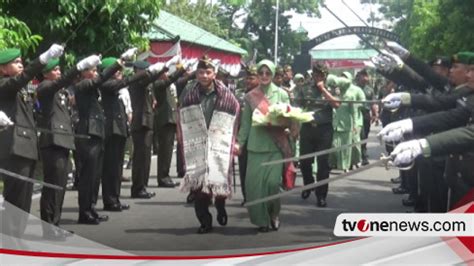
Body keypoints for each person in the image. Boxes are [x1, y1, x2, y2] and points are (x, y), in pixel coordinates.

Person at [0, 44, 64, 237]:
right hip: (13, 148)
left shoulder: (20, 89)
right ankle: (11, 241)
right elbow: (23, 78)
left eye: (21, 62)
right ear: (2, 69)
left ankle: (16, 237)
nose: (20, 65)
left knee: (25, 199)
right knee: (15, 199)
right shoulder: (4, 85)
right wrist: (43, 59)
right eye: (16, 62)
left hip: (26, 147)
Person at [36, 55, 100, 239]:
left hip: (62, 140)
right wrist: (78, 67)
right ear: (46, 73)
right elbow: (61, 83)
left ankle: (55, 224)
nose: (59, 72)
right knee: (53, 186)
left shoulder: (59, 91)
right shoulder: (45, 87)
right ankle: (49, 227)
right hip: (52, 141)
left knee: (60, 186)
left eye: (59, 69)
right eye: (55, 70)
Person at [178, 56, 239, 234]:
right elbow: (180, 113)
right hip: (197, 143)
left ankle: (220, 206)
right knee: (199, 189)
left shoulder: (226, 94)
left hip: (219, 144)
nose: (204, 75)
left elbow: (235, 116)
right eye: (200, 72)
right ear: (196, 74)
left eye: (208, 72)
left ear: (214, 74)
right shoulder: (189, 92)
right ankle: (205, 221)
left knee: (218, 183)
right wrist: (181, 136)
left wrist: (233, 140)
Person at [236, 59, 295, 232]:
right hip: (255, 148)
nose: (264, 76)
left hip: (275, 147)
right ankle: (261, 220)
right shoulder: (250, 96)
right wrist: (240, 143)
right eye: (261, 73)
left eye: (267, 72)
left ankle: (274, 214)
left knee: (271, 185)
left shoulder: (282, 94)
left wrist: (284, 125)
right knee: (254, 189)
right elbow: (245, 123)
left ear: (273, 74)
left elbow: (291, 118)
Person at [294, 63, 340, 207]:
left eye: (321, 75)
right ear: (313, 74)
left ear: (325, 76)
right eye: (316, 74)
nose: (318, 77)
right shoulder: (305, 87)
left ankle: (321, 195)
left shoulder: (331, 88)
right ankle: (308, 184)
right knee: (305, 162)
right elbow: (297, 106)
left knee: (323, 164)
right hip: (308, 128)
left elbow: (336, 104)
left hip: (324, 130)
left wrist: (323, 89)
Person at [128, 60, 169, 198]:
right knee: (140, 157)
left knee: (145, 157)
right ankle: (138, 188)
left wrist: (166, 68)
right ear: (137, 71)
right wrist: (159, 70)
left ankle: (142, 186)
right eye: (143, 71)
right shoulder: (137, 82)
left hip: (147, 122)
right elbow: (149, 78)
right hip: (141, 122)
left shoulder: (146, 83)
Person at [234, 65, 259, 204]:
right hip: (243, 137)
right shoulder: (238, 94)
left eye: (251, 78)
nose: (248, 81)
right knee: (243, 169)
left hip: (259, 136)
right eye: (247, 78)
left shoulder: (262, 94)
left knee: (256, 171)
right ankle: (246, 196)